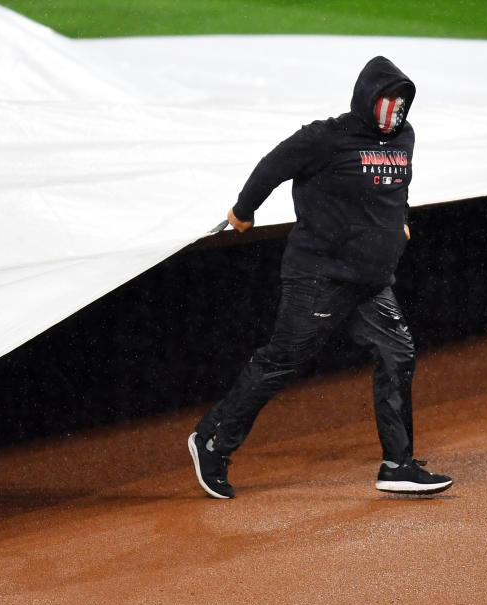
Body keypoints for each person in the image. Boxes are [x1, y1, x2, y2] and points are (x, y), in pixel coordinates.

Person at [188, 56, 453, 499]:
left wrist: (401, 219)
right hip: (319, 275)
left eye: (402, 101)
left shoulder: (404, 137)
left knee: (397, 355)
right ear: (367, 98)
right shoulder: (326, 138)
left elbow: (398, 186)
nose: (395, 110)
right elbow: (273, 165)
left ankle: (397, 465)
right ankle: (212, 440)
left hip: (372, 281)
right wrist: (243, 211)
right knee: (282, 363)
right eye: (387, 100)